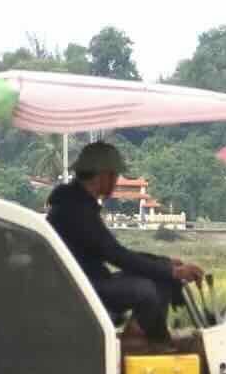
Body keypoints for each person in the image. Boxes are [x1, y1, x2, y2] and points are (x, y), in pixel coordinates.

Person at [45, 141, 206, 349]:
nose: (116, 180)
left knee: (161, 280)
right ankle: (136, 345)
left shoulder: (77, 203)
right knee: (145, 289)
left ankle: (150, 340)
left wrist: (165, 264)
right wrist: (172, 270)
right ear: (103, 175)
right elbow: (116, 255)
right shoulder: (76, 209)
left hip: (88, 279)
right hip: (78, 286)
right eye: (114, 175)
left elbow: (113, 250)